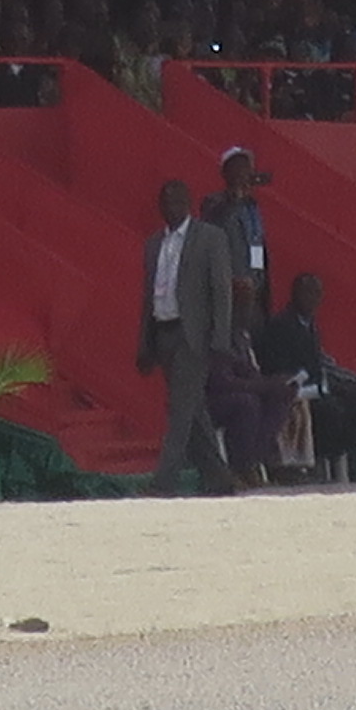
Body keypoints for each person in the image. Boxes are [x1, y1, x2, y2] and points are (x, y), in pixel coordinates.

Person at [138, 180, 239, 493]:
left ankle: (164, 481)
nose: (171, 208)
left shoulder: (209, 238)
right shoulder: (154, 244)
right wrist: (145, 343)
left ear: (188, 203)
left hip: (193, 335)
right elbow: (148, 298)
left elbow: (221, 291)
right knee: (193, 411)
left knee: (180, 409)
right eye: (165, 203)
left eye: (177, 202)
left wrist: (220, 338)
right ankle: (219, 477)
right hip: (164, 332)